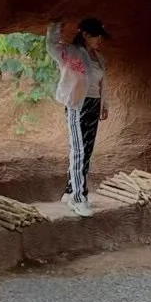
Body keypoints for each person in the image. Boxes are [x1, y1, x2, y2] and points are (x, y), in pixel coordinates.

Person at [45, 17, 110, 216]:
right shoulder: (71, 52)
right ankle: (78, 198)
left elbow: (100, 83)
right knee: (78, 151)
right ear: (85, 35)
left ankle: (69, 191)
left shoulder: (98, 57)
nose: (100, 40)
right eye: (97, 36)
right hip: (76, 106)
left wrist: (104, 104)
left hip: (93, 104)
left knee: (86, 151)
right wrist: (55, 26)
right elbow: (51, 46)